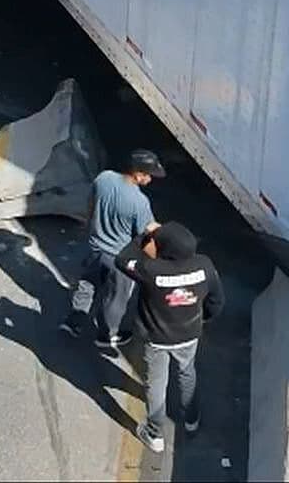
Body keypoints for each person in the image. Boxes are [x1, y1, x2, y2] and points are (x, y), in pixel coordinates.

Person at [118, 221, 225, 453]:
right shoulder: (204, 266)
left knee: (156, 383)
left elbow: (122, 260)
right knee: (187, 373)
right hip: (188, 335)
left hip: (156, 338)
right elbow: (217, 301)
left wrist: (141, 237)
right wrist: (203, 318)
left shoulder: (151, 270)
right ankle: (191, 418)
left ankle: (155, 433)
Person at [63, 149, 165, 349]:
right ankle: (107, 335)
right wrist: (156, 261)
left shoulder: (104, 178)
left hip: (95, 247)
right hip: (118, 258)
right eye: (148, 175)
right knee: (116, 298)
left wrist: (89, 226)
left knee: (87, 284)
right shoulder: (139, 202)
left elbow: (91, 205)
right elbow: (145, 237)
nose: (150, 179)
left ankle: (73, 321)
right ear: (137, 174)